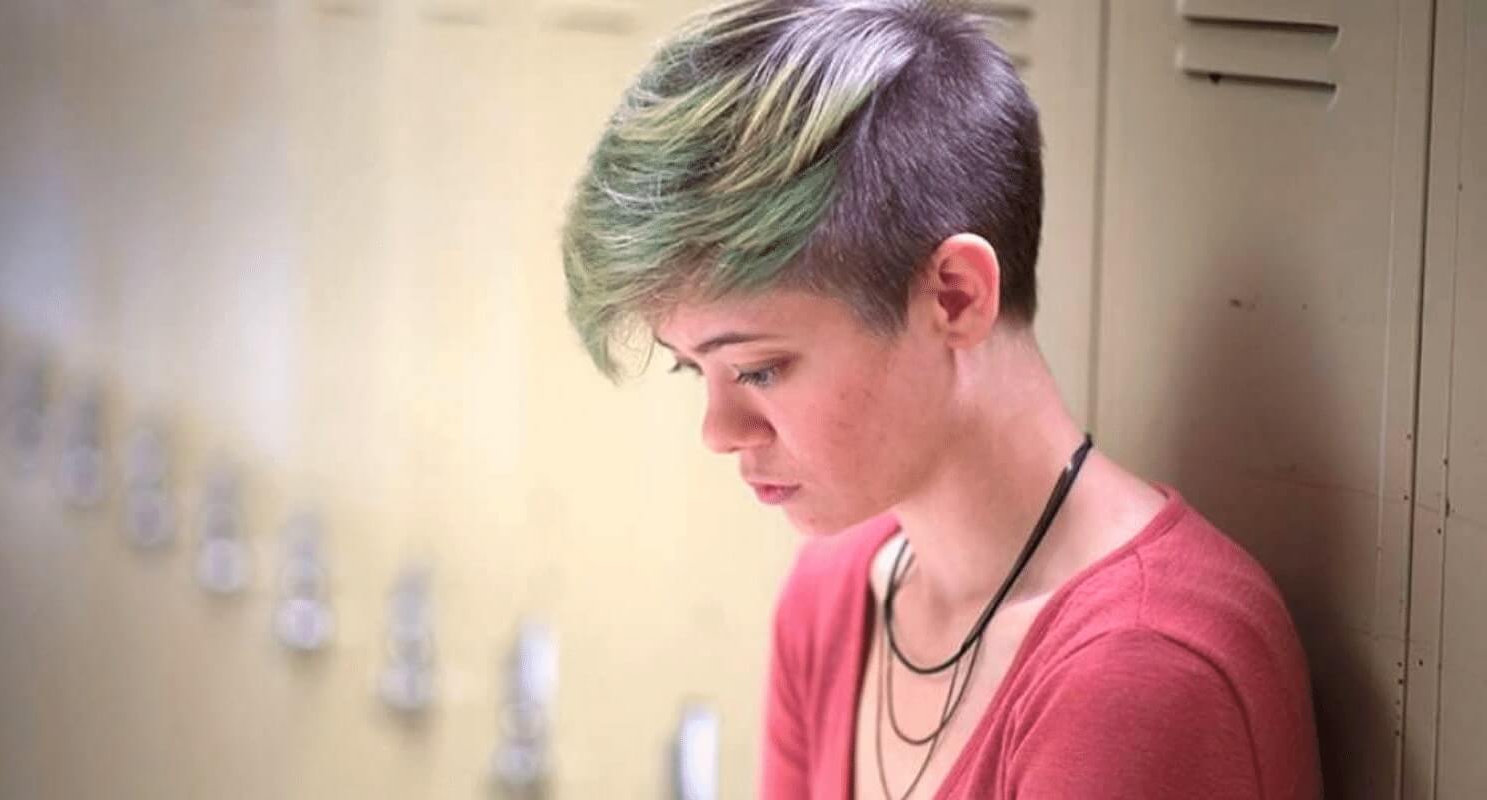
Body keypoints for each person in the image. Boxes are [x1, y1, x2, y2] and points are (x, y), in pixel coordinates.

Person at [559, 1, 1321, 797]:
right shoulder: (831, 598)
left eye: (759, 370)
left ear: (955, 297)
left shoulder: (1141, 675)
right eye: (692, 369)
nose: (718, 432)